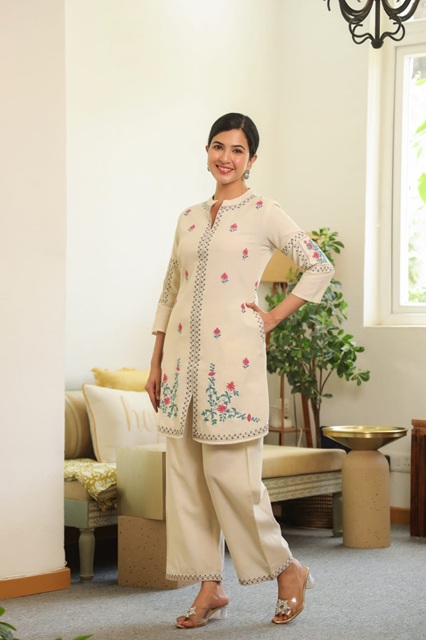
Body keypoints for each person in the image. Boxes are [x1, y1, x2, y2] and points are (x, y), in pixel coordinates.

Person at [145, 112, 334, 628]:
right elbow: (170, 289)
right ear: (207, 151)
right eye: (218, 146)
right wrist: (156, 359)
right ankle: (210, 587)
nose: (225, 157)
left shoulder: (265, 212)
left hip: (232, 366)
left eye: (236, 150)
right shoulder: (188, 217)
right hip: (180, 366)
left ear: (252, 159)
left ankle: (288, 569)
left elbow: (319, 265)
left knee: (234, 480)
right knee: (188, 479)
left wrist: (272, 316)